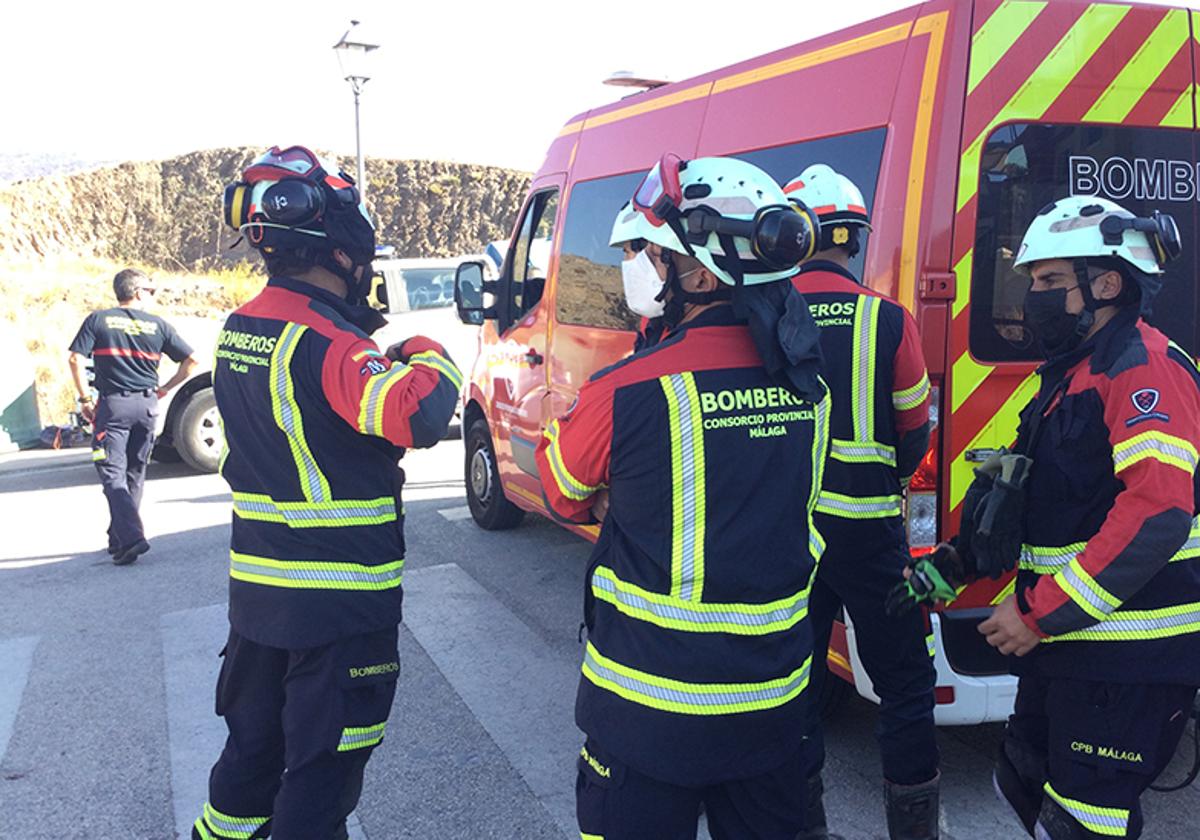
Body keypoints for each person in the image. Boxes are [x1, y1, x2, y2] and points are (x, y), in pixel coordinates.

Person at [537, 154, 830, 840]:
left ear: (699, 273)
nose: (633, 264)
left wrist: (622, 497)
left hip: (647, 713)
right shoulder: (808, 385)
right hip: (773, 703)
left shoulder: (629, 387)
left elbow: (560, 487)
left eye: (646, 249)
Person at [889, 196, 1200, 839]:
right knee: (1022, 780)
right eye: (1032, 281)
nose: (1033, 295)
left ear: (1106, 284)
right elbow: (1024, 498)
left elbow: (1158, 510)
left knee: (1084, 822)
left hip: (1130, 655)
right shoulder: (1071, 373)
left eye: (1051, 281)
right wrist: (943, 574)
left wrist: (1036, 613)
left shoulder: (1144, 370)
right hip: (1072, 646)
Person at [191, 146, 460, 840]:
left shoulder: (241, 328)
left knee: (249, 765)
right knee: (320, 781)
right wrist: (428, 351)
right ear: (339, 250)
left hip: (259, 602)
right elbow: (417, 413)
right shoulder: (330, 342)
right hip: (338, 613)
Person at [783, 164, 939, 839]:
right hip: (874, 537)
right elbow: (915, 433)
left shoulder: (769, 316)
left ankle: (797, 823)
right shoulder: (889, 320)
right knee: (905, 686)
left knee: (792, 688)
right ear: (853, 237)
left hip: (791, 539)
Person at [67, 268, 198, 565]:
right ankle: (119, 538)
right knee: (134, 474)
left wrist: (85, 398)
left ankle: (133, 538)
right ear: (138, 292)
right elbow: (192, 360)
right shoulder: (158, 325)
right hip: (148, 406)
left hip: (113, 407)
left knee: (112, 472)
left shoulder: (98, 320)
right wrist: (165, 388)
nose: (152, 297)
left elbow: (75, 358)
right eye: (150, 291)